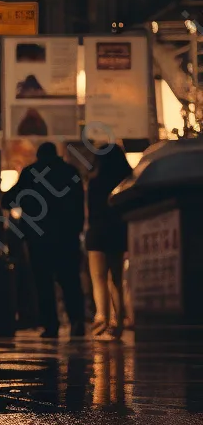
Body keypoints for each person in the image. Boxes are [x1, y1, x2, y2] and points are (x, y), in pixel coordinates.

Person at [2, 141, 86, 338]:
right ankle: (77, 322)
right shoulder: (70, 172)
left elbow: (8, 200)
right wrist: (76, 230)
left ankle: (51, 325)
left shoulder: (31, 173)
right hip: (67, 237)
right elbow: (80, 205)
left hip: (38, 239)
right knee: (70, 281)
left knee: (43, 283)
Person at [86, 144, 132, 338]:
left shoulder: (95, 182)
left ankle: (102, 318)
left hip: (97, 231)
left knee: (98, 279)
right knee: (117, 279)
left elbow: (89, 210)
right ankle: (118, 321)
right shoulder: (125, 182)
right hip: (118, 231)